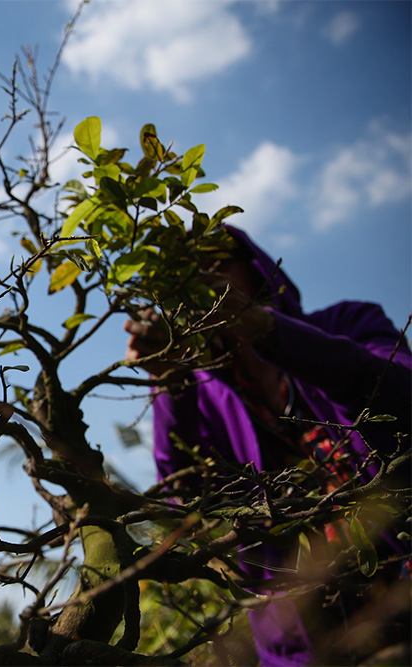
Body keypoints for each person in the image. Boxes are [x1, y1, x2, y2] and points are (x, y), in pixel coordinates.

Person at [123, 224, 411, 665]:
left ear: (257, 269)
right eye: (186, 274)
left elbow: (400, 392)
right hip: (306, 639)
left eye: (216, 264)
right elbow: (186, 495)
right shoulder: (200, 397)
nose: (203, 280)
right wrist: (170, 383)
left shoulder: (350, 322)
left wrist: (271, 333)